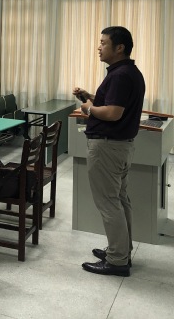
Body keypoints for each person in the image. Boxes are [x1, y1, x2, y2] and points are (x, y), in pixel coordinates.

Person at [74, 26, 145, 278]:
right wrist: (91, 97)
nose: (99, 47)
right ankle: (121, 250)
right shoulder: (127, 72)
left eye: (103, 43)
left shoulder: (120, 75)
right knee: (119, 200)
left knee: (109, 203)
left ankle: (117, 260)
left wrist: (88, 108)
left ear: (119, 47)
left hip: (107, 146)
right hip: (119, 146)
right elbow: (113, 103)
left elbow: (113, 113)